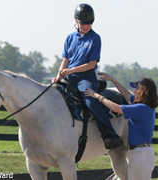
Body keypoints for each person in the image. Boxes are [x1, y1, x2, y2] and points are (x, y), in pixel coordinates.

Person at [52, 3, 121, 149]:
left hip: (85, 78)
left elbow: (91, 64)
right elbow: (65, 60)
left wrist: (70, 71)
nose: (86, 26)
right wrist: (58, 75)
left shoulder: (95, 38)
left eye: (89, 23)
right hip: (69, 77)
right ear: (76, 21)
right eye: (83, 23)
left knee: (90, 102)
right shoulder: (70, 38)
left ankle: (109, 135)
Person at [84, 72, 158, 180]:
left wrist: (96, 96)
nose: (134, 91)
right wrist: (113, 80)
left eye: (137, 88)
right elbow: (126, 94)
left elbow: (115, 108)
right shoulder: (143, 107)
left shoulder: (141, 109)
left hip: (140, 154)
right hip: (139, 153)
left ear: (145, 91)